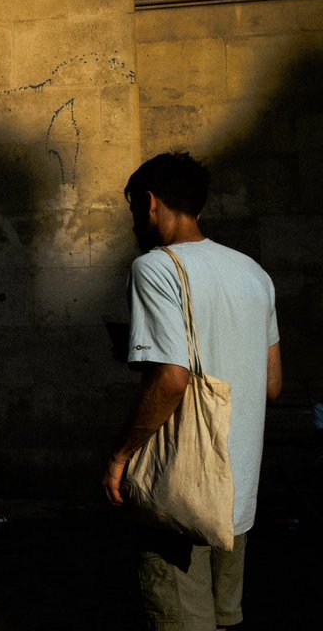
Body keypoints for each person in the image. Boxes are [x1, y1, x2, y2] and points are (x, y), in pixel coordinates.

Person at [102, 153, 282, 630]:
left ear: (149, 203)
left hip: (180, 491)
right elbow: (273, 384)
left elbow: (172, 379)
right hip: (237, 496)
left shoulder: (156, 268)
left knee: (182, 620)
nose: (137, 222)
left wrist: (121, 457)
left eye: (135, 210)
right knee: (224, 620)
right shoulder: (254, 274)